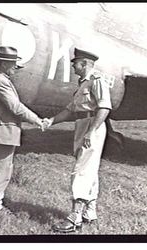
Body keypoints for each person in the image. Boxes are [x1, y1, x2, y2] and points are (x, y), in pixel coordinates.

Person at [43, 48, 112, 233]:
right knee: (89, 169)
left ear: (84, 64)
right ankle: (90, 213)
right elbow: (70, 110)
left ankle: (74, 218)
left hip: (92, 126)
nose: (73, 67)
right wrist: (51, 120)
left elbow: (104, 108)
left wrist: (91, 131)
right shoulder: (83, 84)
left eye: (75, 63)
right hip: (82, 124)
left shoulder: (97, 80)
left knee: (81, 170)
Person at [0, 46, 44, 214]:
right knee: (0, 168)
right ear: (3, 64)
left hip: (3, 132)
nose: (16, 66)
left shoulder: (0, 79)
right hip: (1, 133)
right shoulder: (0, 81)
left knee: (3, 167)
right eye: (13, 63)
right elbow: (16, 108)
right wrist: (37, 120)